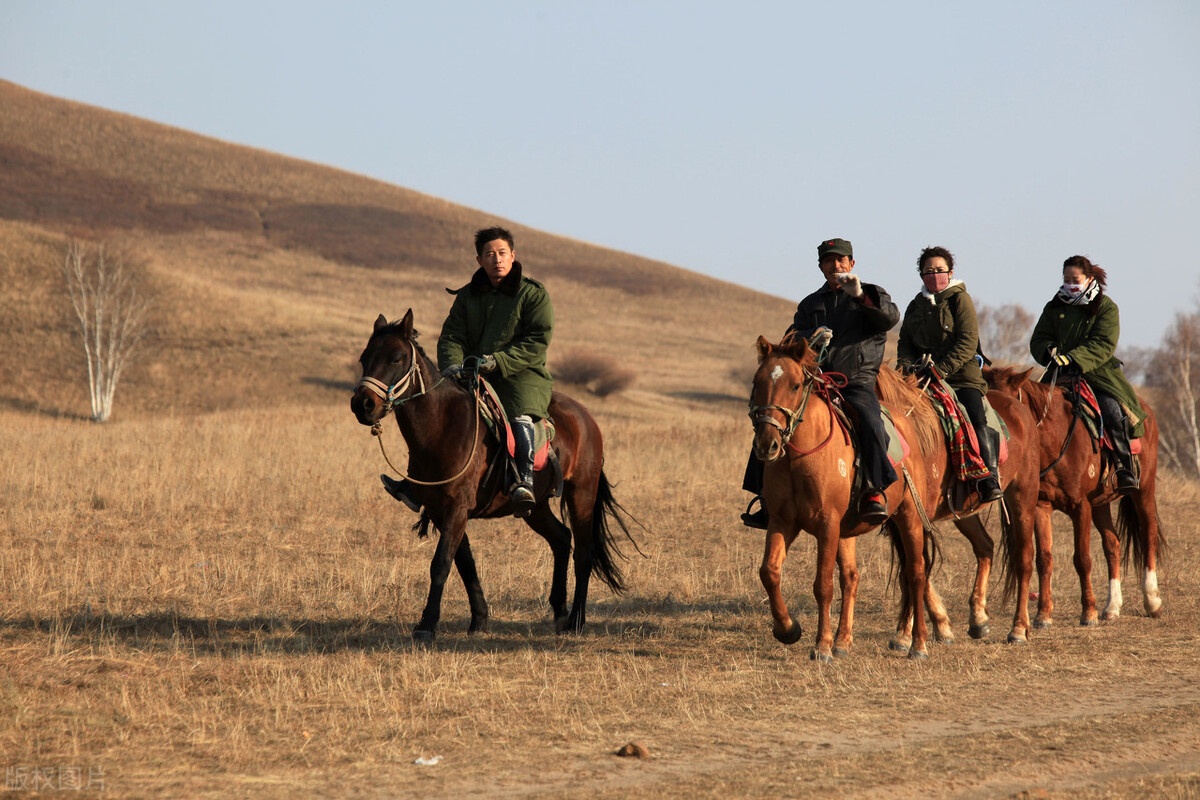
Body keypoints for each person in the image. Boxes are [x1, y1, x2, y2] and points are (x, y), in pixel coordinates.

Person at [382, 226, 554, 516]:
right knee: (438, 417)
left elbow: (537, 340)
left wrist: (498, 361)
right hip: (472, 373)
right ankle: (415, 485)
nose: (496, 259)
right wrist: (451, 365)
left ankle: (523, 482)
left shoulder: (533, 294)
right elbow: (451, 336)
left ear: (513, 255)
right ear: (479, 260)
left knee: (519, 412)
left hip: (520, 376)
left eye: (502, 253)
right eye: (489, 254)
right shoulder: (467, 296)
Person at [742, 237, 900, 528]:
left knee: (870, 419)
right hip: (815, 382)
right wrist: (811, 334)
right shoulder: (810, 304)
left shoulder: (873, 294)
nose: (836, 265)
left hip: (856, 381)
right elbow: (791, 339)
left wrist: (860, 296)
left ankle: (874, 490)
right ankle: (765, 497)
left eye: (841, 260)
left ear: (852, 263)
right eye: (829, 261)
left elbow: (888, 319)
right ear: (821, 267)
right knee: (770, 418)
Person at [1029, 255, 1145, 493]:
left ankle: (1125, 468)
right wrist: (1048, 350)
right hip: (1058, 372)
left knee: (1112, 411)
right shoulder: (1054, 306)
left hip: (1097, 373)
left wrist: (1074, 358)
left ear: (1089, 278)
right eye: (1066, 279)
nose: (1070, 284)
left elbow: (1104, 344)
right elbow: (1039, 338)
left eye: (1075, 279)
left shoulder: (1106, 307)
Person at [896, 246, 1003, 502]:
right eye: (928, 271)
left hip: (961, 377)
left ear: (950, 272)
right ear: (921, 275)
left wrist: (941, 369)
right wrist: (908, 366)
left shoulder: (960, 300)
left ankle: (988, 476)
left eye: (939, 270)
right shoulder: (914, 306)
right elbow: (904, 342)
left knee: (975, 418)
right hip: (923, 379)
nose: (934, 275)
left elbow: (967, 341)